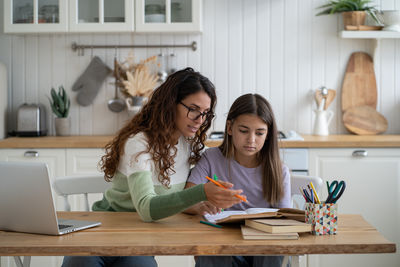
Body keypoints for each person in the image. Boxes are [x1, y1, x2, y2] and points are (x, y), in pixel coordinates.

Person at [62, 68, 245, 267]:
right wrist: (201, 192)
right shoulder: (139, 143)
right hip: (106, 228)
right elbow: (147, 208)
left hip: (140, 235)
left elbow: (172, 198)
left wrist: (198, 205)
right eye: (193, 109)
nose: (200, 120)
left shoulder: (188, 144)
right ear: (170, 104)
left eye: (205, 113)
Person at [186, 93, 291, 267]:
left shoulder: (279, 170)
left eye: (259, 133)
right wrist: (200, 205)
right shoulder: (211, 159)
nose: (251, 139)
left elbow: (285, 220)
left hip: (264, 248)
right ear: (229, 128)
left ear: (268, 134)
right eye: (243, 131)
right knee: (213, 253)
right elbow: (187, 197)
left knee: (274, 253)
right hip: (224, 244)